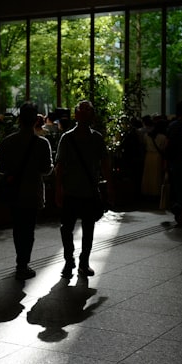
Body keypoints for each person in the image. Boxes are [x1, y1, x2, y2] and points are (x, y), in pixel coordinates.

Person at [55, 100, 112, 279]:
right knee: (70, 229)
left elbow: (104, 164)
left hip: (85, 192)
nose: (85, 115)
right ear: (77, 115)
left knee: (83, 229)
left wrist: (109, 186)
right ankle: (71, 260)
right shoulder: (68, 138)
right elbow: (60, 167)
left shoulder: (95, 138)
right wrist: (58, 189)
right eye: (83, 112)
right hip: (74, 191)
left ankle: (81, 261)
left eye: (88, 112)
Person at [0, 103, 54, 280]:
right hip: (32, 192)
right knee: (28, 230)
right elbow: (46, 169)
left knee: (17, 228)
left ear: (19, 120)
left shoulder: (7, 142)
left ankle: (20, 261)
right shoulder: (42, 143)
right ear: (36, 120)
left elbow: (2, 167)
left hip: (13, 192)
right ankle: (23, 264)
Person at [141, 117, 168, 199]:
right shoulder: (163, 137)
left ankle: (147, 191)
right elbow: (164, 149)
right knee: (157, 175)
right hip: (157, 157)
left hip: (148, 156)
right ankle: (156, 192)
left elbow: (144, 145)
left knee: (148, 174)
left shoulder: (147, 136)